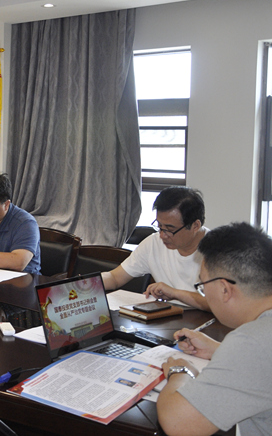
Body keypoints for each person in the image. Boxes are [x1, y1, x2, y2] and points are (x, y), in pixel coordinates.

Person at [157, 222, 272, 436]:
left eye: (202, 286)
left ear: (224, 289)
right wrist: (220, 350)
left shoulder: (251, 342)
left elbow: (178, 424)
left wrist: (181, 372)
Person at [102, 186, 209, 310]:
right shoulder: (154, 243)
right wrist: (87, 283)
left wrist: (174, 293)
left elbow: (218, 304)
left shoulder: (218, 250)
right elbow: (115, 278)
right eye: (160, 227)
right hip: (170, 316)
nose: (162, 235)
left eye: (170, 229)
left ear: (195, 226)